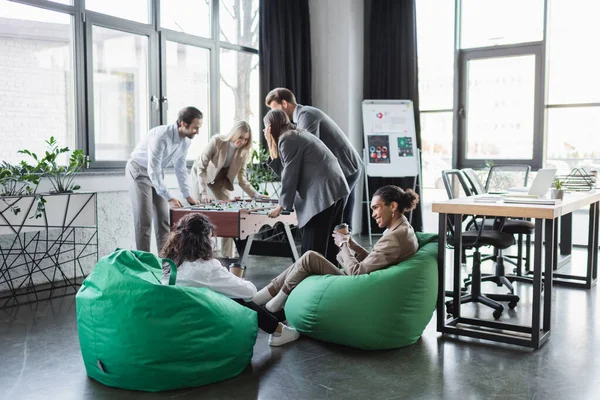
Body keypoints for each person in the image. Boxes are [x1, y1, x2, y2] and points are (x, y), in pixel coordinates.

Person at [252, 185, 420, 313]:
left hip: (359, 288)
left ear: (393, 206)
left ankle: (275, 299)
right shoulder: (401, 228)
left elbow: (356, 273)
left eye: (376, 207)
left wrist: (343, 244)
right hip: (370, 282)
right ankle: (271, 295)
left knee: (310, 257)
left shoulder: (395, 237)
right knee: (308, 260)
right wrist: (353, 244)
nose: (373, 214)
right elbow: (375, 260)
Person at [159, 213, 300, 347]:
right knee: (238, 297)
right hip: (202, 320)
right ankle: (278, 330)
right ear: (204, 240)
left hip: (177, 318)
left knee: (232, 292)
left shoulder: (169, 262)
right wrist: (236, 280)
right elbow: (249, 292)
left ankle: (276, 318)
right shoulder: (207, 267)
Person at [265, 88, 362, 230]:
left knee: (338, 223)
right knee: (341, 222)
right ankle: (342, 251)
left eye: (275, 108)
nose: (275, 114)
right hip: (345, 167)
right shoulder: (303, 116)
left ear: (284, 103)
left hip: (346, 167)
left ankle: (340, 251)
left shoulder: (306, 115)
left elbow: (308, 155)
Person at [263, 109, 349, 265]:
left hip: (323, 193)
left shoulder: (287, 139)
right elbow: (286, 169)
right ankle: (329, 284)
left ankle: (311, 286)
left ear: (270, 126)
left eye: (265, 128)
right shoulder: (296, 134)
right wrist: (271, 145)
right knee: (329, 246)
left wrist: (282, 205)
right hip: (334, 189)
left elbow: (290, 173)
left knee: (312, 251)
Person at [126, 107, 202, 253]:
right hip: (139, 171)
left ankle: (165, 260)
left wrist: (187, 194)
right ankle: (144, 262)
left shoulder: (186, 141)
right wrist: (169, 197)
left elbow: (180, 168)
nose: (197, 132)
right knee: (144, 220)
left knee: (163, 219)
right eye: (194, 128)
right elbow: (152, 169)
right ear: (182, 124)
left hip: (156, 173)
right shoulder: (161, 136)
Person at [191, 121, 268, 258]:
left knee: (229, 216)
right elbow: (201, 168)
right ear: (234, 134)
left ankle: (228, 257)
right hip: (201, 175)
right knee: (199, 215)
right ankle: (198, 255)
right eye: (240, 138)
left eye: (246, 139)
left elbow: (242, 179)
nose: (242, 142)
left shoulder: (244, 152)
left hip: (220, 180)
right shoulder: (217, 141)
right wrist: (204, 192)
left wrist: (255, 195)